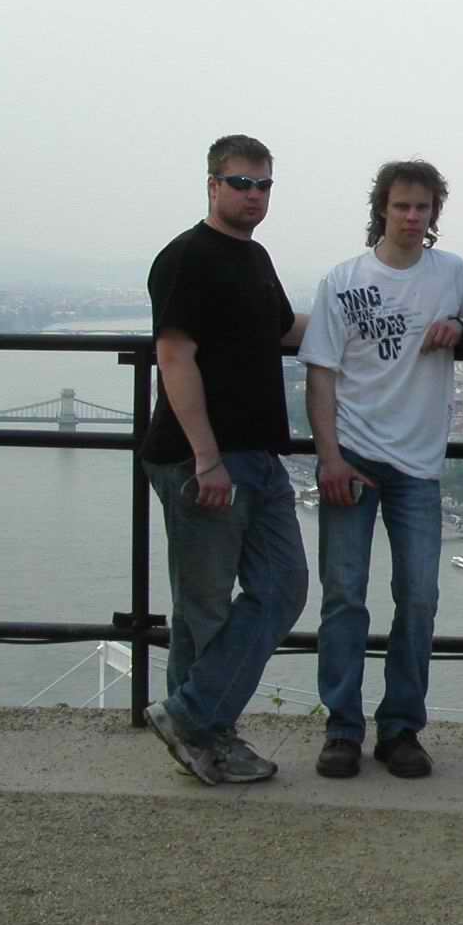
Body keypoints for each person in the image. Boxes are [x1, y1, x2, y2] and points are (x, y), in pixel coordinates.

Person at [298, 160, 463, 780]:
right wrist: (329, 457)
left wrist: (460, 324)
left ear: (434, 214)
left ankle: (401, 727)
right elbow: (320, 374)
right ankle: (342, 727)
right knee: (344, 597)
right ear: (382, 208)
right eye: (402, 206)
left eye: (422, 207)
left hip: (419, 465)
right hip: (352, 454)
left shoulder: (452, 274)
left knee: (420, 599)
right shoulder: (342, 280)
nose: (411, 217)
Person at [140, 133, 309, 785]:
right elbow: (174, 356)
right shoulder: (186, 257)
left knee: (283, 586)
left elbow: (284, 329)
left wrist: (375, 321)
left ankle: (189, 717)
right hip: (202, 459)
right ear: (212, 185)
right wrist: (205, 458)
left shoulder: (255, 257)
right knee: (204, 608)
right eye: (241, 183)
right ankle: (208, 738)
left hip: (259, 454)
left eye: (264, 185)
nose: (253, 195)